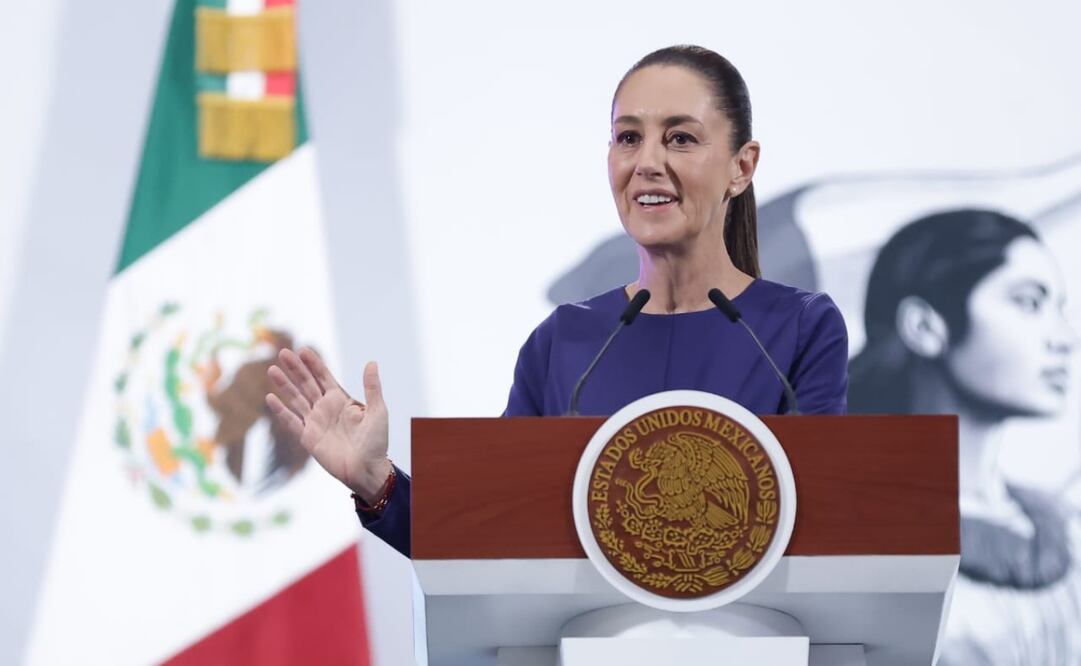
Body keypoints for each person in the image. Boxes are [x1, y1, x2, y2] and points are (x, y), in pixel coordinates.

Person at [264, 45, 849, 558]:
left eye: (680, 138)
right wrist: (376, 481)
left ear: (742, 167)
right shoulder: (568, 340)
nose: (647, 162)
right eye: (628, 137)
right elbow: (485, 538)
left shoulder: (796, 329)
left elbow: (827, 529)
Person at [847, 209, 1081, 665]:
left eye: (1060, 309)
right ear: (924, 326)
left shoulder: (1068, 528)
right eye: (1029, 303)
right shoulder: (842, 539)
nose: (1064, 338)